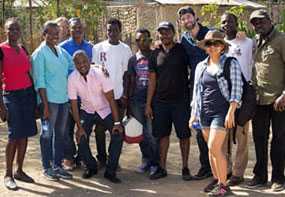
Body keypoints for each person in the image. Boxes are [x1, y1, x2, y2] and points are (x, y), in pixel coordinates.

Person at [190, 30, 243, 196]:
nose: (212, 47)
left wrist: (231, 111)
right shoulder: (201, 66)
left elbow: (237, 88)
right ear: (205, 47)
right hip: (204, 112)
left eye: (216, 43)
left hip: (222, 112)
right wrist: (193, 114)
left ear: (222, 47)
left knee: (214, 146)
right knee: (211, 149)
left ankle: (223, 185)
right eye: (209, 44)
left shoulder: (230, 63)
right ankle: (217, 181)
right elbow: (196, 92)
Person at [68, 50, 124, 183]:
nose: (82, 65)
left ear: (89, 60)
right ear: (74, 65)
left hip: (105, 109)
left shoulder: (100, 73)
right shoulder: (72, 78)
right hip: (87, 111)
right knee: (81, 138)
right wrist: (79, 127)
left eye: (84, 61)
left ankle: (110, 171)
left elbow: (111, 99)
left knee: (118, 134)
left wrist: (117, 123)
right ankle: (91, 166)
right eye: (78, 63)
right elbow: (74, 105)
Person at [147, 21, 192, 181]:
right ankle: (162, 168)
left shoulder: (182, 50)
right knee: (163, 136)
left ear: (173, 33)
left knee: (184, 136)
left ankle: (185, 167)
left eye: (167, 32)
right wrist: (148, 104)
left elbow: (192, 69)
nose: (164, 35)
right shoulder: (155, 53)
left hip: (181, 101)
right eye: (161, 32)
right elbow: (152, 80)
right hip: (161, 102)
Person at [247, 9, 285, 192]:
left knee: (279, 140)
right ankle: (260, 176)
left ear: (270, 20)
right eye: (254, 23)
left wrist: (284, 94)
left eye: (260, 21)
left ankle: (278, 178)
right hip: (258, 99)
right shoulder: (255, 41)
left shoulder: (281, 40)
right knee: (259, 139)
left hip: (279, 100)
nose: (257, 25)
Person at [32, 21, 74, 181]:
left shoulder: (61, 51)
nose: (56, 36)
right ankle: (47, 167)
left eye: (57, 33)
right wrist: (45, 105)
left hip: (63, 100)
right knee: (47, 134)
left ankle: (57, 166)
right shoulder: (39, 54)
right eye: (52, 33)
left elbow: (74, 64)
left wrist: (95, 67)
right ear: (44, 35)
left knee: (61, 134)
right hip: (49, 102)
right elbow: (40, 81)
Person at [0, 18, 37, 190]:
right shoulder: (1, 50)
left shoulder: (22, 48)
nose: (14, 31)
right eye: (10, 29)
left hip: (27, 94)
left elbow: (28, 73)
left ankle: (19, 170)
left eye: (16, 29)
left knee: (25, 134)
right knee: (14, 135)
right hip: (11, 96)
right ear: (5, 30)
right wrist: (1, 106)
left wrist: (34, 98)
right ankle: (8, 174)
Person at [177, 6, 212, 180]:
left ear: (195, 17)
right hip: (196, 89)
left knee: (217, 129)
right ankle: (206, 166)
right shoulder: (184, 39)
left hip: (214, 88)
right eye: (183, 19)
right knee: (199, 130)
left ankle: (222, 168)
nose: (187, 20)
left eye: (189, 17)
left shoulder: (209, 33)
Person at [92, 18, 132, 168]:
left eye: (115, 30)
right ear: (106, 31)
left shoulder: (125, 49)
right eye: (109, 30)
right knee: (100, 129)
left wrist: (125, 95)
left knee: (117, 130)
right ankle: (102, 158)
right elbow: (94, 70)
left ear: (119, 31)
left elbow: (128, 75)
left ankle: (113, 160)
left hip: (118, 96)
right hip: (101, 97)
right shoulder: (97, 48)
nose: (112, 33)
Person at [220, 12, 254, 186]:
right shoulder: (219, 44)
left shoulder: (247, 42)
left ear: (237, 23)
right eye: (224, 22)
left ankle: (238, 173)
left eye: (230, 21)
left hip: (244, 92)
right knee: (224, 135)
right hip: (225, 93)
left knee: (241, 135)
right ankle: (226, 169)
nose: (227, 24)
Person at [59, 17, 93, 170]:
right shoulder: (62, 48)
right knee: (67, 128)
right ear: (69, 30)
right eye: (74, 28)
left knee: (84, 127)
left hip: (86, 96)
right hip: (68, 95)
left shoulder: (91, 47)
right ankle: (68, 157)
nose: (77, 30)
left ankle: (82, 156)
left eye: (79, 27)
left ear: (83, 28)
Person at [124, 28, 159, 175]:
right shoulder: (133, 59)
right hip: (136, 100)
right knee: (141, 133)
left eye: (146, 39)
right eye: (139, 40)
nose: (143, 42)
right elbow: (131, 82)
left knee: (151, 133)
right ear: (136, 42)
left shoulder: (156, 55)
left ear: (150, 39)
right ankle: (145, 160)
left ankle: (155, 163)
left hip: (153, 100)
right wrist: (128, 105)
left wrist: (151, 103)